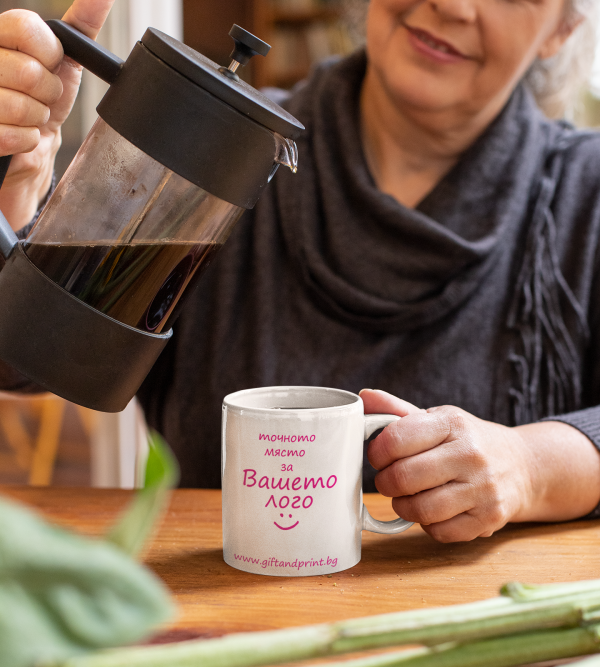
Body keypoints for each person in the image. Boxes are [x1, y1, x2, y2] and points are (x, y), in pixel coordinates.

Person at [0, 0, 599, 544]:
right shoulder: (223, 151)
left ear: (563, 28)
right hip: (219, 620)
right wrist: (17, 196)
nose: (450, 4)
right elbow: (25, 354)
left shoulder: (586, 195)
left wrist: (529, 465)